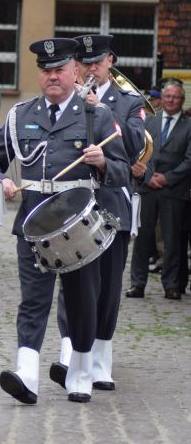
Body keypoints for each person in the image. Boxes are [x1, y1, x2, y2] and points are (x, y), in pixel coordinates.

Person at [0, 38, 130, 406]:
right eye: (46, 70)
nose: (52, 76)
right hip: (33, 223)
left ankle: (80, 372)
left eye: (59, 69)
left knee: (82, 301)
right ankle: (26, 374)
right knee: (33, 300)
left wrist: (102, 162)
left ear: (74, 71)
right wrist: (0, 179)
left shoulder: (96, 115)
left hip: (79, 225)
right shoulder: (20, 116)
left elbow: (123, 171)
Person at [49, 34, 146, 390]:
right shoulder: (64, 99)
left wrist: (101, 110)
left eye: (97, 61)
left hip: (112, 199)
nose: (91, 68)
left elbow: (134, 146)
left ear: (110, 62)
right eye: (85, 62)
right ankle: (68, 352)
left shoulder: (129, 101)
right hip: (75, 202)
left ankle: (101, 359)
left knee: (108, 285)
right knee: (72, 279)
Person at [127, 80, 191, 300]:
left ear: (182, 100)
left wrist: (167, 178)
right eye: (167, 96)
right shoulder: (149, 121)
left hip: (173, 190)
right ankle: (137, 283)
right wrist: (149, 176)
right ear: (162, 98)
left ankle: (171, 285)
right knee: (142, 238)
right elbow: (137, 150)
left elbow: (189, 159)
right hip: (147, 187)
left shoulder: (188, 126)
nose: (171, 100)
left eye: (175, 97)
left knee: (172, 240)